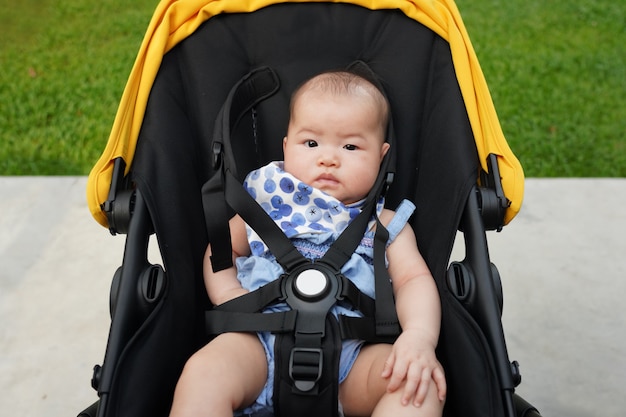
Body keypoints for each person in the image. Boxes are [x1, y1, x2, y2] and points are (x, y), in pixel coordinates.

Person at [169, 70, 446, 417]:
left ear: (381, 155)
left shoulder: (386, 224)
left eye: (351, 146)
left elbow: (413, 280)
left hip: (354, 355)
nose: (328, 158)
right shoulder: (263, 204)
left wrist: (420, 336)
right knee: (203, 373)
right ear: (286, 147)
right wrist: (229, 296)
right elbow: (223, 249)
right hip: (256, 342)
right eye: (311, 143)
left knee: (419, 387)